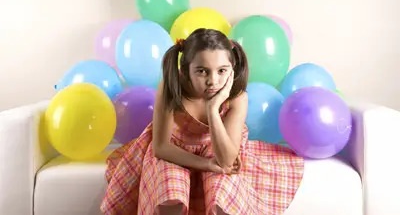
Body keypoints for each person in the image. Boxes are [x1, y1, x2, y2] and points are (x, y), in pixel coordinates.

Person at [100, 28, 304, 215]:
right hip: (174, 153)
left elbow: (226, 161)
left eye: (222, 71)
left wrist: (213, 109)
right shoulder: (172, 87)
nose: (213, 81)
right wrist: (205, 164)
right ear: (185, 71)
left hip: (217, 151)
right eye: (202, 71)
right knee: (169, 191)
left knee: (223, 190)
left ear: (232, 70)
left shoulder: (237, 98)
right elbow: (161, 148)